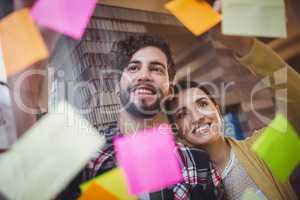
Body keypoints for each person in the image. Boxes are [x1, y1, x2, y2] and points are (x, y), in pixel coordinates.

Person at [57, 35, 224, 200]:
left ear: (170, 92)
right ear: (117, 87)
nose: (144, 75)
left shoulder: (199, 164)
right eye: (133, 68)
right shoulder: (84, 161)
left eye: (156, 69)